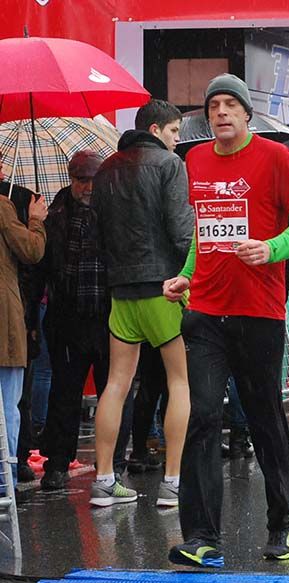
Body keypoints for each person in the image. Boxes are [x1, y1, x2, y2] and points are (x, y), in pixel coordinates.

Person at [162, 74, 289, 567]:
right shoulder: (195, 160)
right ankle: (202, 535)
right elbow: (203, 233)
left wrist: (270, 248)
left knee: (264, 418)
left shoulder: (275, 159)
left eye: (231, 104)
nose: (222, 112)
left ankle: (282, 525)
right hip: (205, 311)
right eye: (214, 107)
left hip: (258, 312)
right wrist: (186, 275)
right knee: (202, 415)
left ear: (247, 113)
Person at [89, 99, 194, 507]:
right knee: (179, 382)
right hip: (164, 287)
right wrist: (191, 277)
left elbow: (98, 234)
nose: (176, 142)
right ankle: (172, 483)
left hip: (121, 290)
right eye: (173, 133)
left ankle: (103, 481)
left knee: (116, 384)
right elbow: (183, 230)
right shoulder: (170, 166)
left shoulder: (106, 170)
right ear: (155, 130)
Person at [36, 152, 116, 490]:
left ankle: (111, 464)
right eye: (82, 179)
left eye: (93, 179)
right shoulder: (55, 213)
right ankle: (57, 462)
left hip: (108, 316)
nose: (88, 186)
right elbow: (43, 264)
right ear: (71, 178)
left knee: (111, 392)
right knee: (65, 394)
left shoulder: (113, 210)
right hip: (68, 317)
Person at [0, 189, 46, 474]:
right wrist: (36, 221)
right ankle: (6, 477)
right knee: (7, 405)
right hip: (4, 318)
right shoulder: (3, 206)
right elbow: (32, 250)